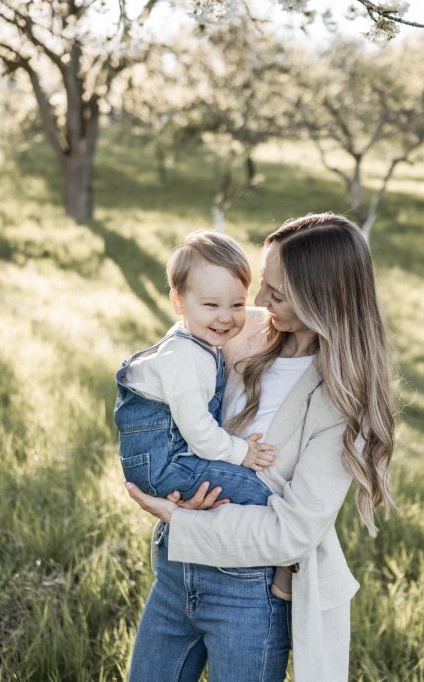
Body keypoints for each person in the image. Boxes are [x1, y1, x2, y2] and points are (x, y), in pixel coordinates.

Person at [125, 213, 396, 682]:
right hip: (176, 570)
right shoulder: (241, 330)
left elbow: (293, 531)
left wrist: (182, 519)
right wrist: (173, 484)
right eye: (262, 282)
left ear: (320, 300)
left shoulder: (342, 401)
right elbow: (173, 390)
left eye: (277, 292)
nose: (258, 300)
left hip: (248, 591)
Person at [114, 230, 293, 600]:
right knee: (257, 492)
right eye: (211, 305)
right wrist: (241, 453)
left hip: (165, 456)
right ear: (178, 302)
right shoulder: (186, 357)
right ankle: (289, 562)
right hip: (161, 463)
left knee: (242, 491)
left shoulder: (195, 340)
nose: (226, 318)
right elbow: (198, 432)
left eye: (237, 305)